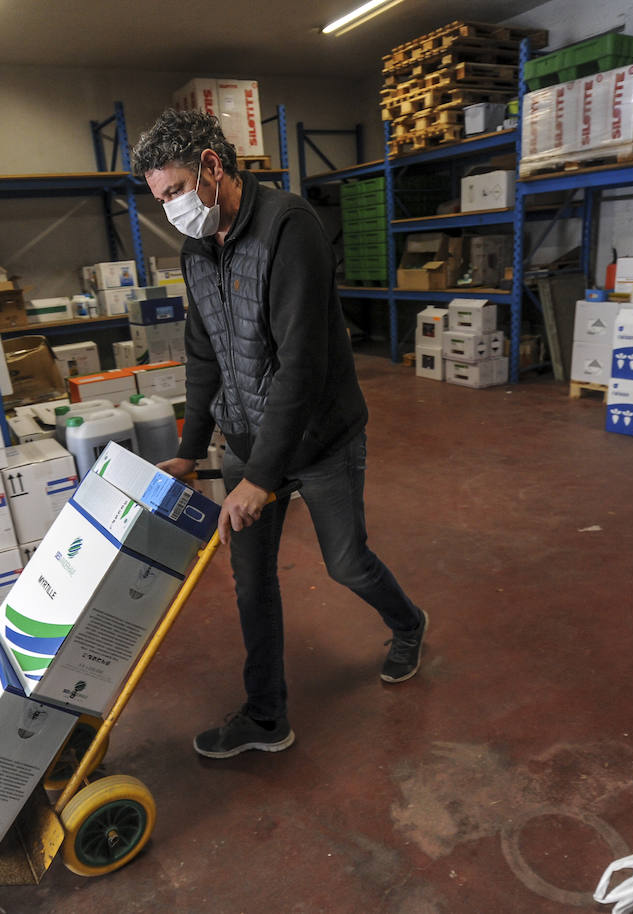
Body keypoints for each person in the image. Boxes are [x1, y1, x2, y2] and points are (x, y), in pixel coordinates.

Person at [130, 109, 428, 759]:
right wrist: (189, 449)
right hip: (246, 442)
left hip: (320, 440)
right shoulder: (195, 249)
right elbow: (204, 354)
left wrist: (265, 478)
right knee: (251, 579)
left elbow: (303, 363)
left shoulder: (290, 227)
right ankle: (266, 715)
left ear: (213, 166)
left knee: (346, 563)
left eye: (175, 191)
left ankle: (408, 623)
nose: (171, 209)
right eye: (160, 200)